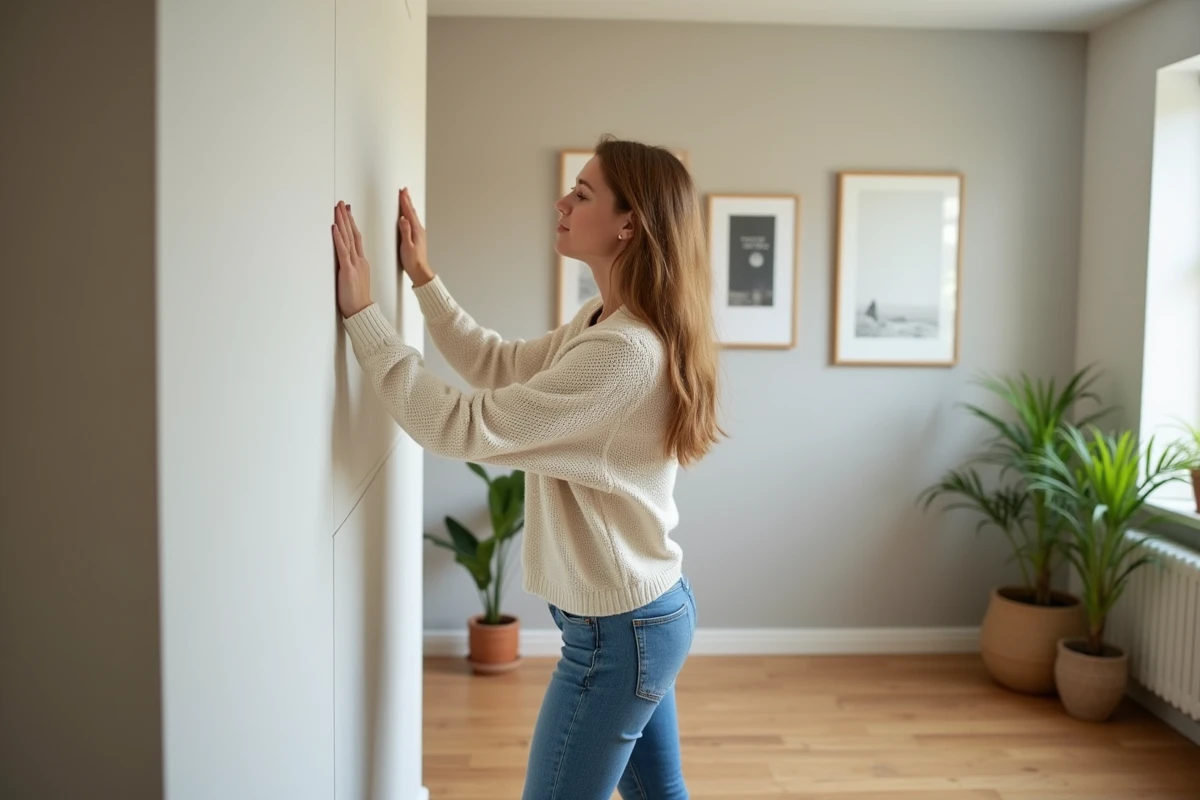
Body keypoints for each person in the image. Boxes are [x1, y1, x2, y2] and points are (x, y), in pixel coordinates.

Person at [331, 135, 727, 800]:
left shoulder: (625, 353)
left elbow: (460, 425)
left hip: (619, 634)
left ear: (629, 224)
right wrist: (423, 280)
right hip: (642, 614)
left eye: (583, 193)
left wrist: (363, 319)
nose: (561, 202)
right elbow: (498, 364)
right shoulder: (604, 322)